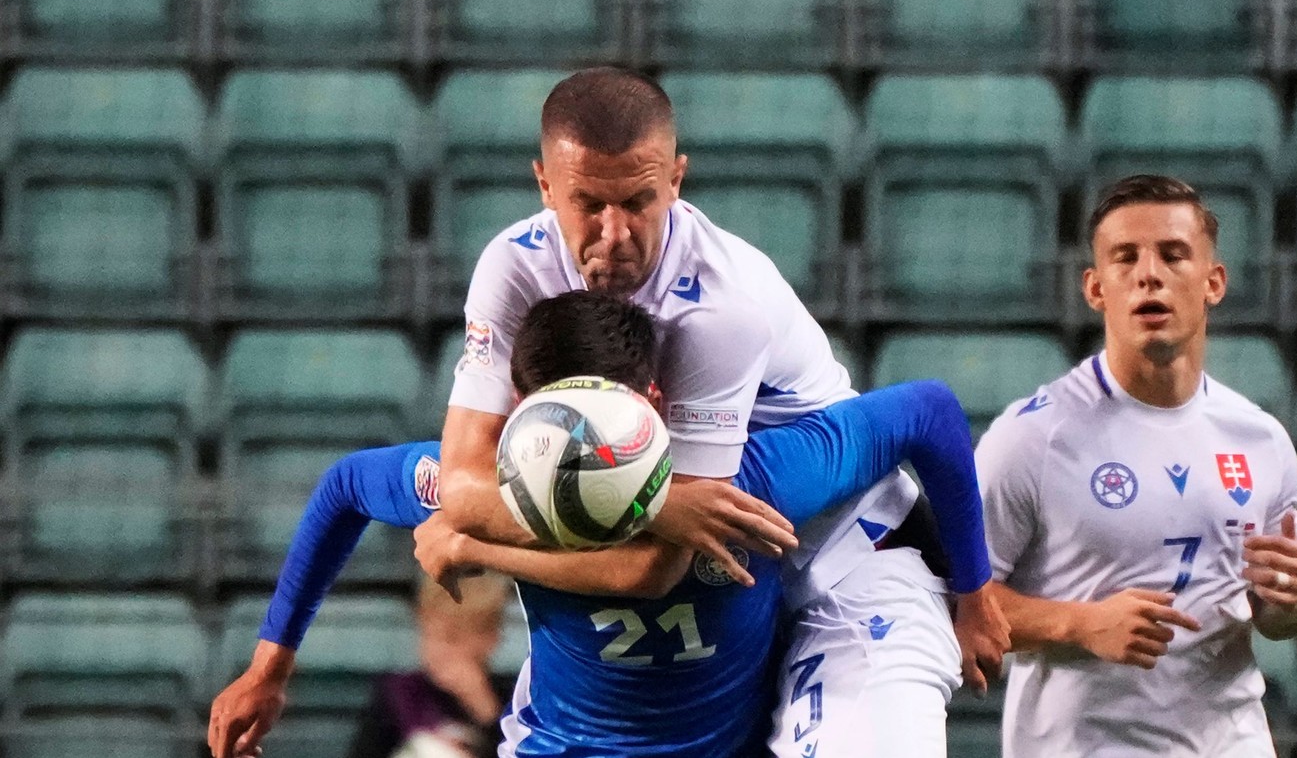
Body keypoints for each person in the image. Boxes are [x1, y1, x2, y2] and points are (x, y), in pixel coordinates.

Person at [419, 65, 1007, 758]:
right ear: (545, 184)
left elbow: (654, 564)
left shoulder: (719, 307)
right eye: (588, 204)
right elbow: (459, 485)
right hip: (733, 563)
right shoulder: (513, 268)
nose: (614, 235)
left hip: (844, 547)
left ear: (677, 178)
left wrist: (975, 590)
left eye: (639, 200)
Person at [209, 291, 989, 758]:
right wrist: (267, 666)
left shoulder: (749, 480)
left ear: (655, 399)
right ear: (517, 414)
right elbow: (344, 485)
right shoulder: (488, 486)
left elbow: (929, 412)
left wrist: (974, 589)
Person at [976, 175, 1297, 757]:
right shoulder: (1032, 438)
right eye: (1125, 257)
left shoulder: (1261, 440)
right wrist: (1080, 624)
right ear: (1096, 288)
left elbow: (1282, 613)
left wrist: (1295, 599)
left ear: (1214, 282)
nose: (1149, 273)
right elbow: (961, 602)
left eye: (1173, 254)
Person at [347, 574, 517, 758]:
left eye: (452, 638)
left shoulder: (513, 701)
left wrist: (487, 712)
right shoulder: (398, 695)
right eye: (429, 634)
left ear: (490, 639)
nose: (438, 649)